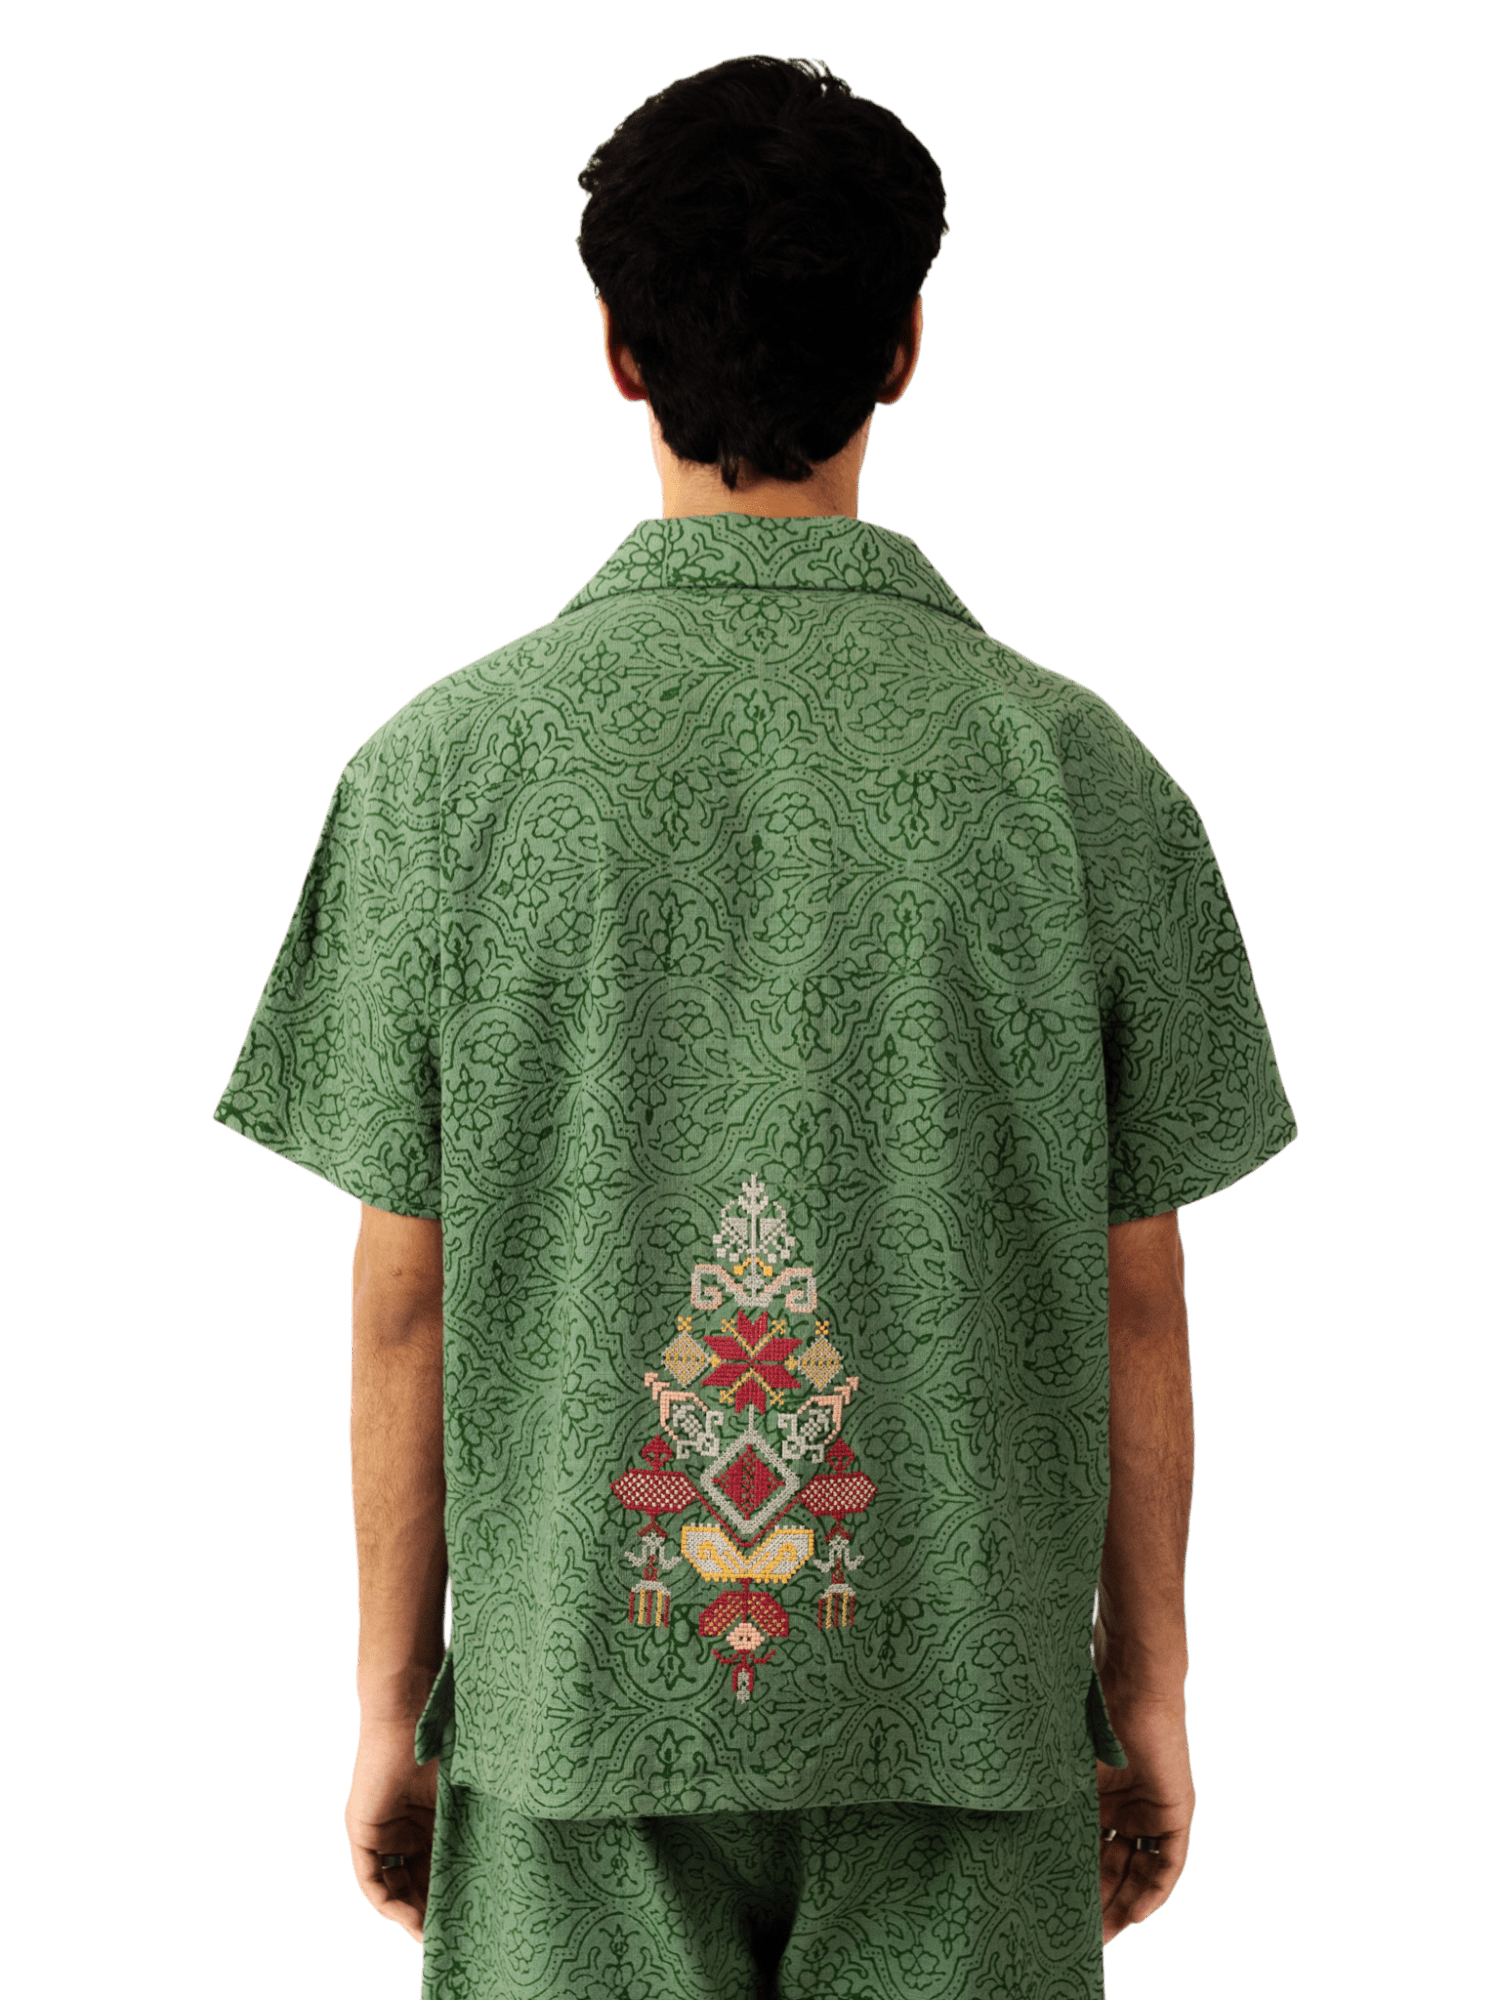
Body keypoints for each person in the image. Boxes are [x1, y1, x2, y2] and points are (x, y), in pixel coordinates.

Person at [214, 53, 1297, 2000]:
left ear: (618, 349)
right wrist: (1152, 1691)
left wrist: (390, 1705)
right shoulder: (1080, 774)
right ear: (904, 347)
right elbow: (1136, 1289)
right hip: (967, 1706)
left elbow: (403, 1297)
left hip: (572, 1711)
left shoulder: (442, 776)